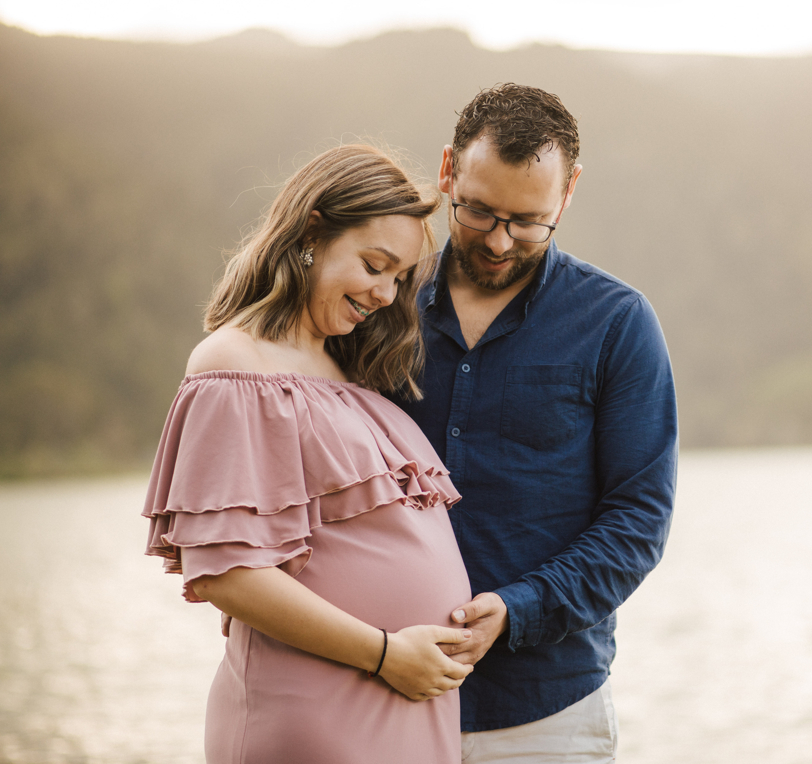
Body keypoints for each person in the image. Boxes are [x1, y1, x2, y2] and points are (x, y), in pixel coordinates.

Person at [142, 144, 476, 764]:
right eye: (375, 265)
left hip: (397, 705)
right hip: (322, 703)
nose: (385, 293)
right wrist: (385, 653)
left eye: (400, 277)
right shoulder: (233, 367)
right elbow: (225, 573)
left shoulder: (342, 370)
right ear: (312, 232)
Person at [390, 84, 678, 762]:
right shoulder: (379, 309)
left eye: (527, 221)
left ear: (569, 189)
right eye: (479, 212)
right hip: (379, 699)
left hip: (545, 714)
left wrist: (521, 608)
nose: (498, 241)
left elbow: (639, 518)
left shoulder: (618, 324)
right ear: (447, 170)